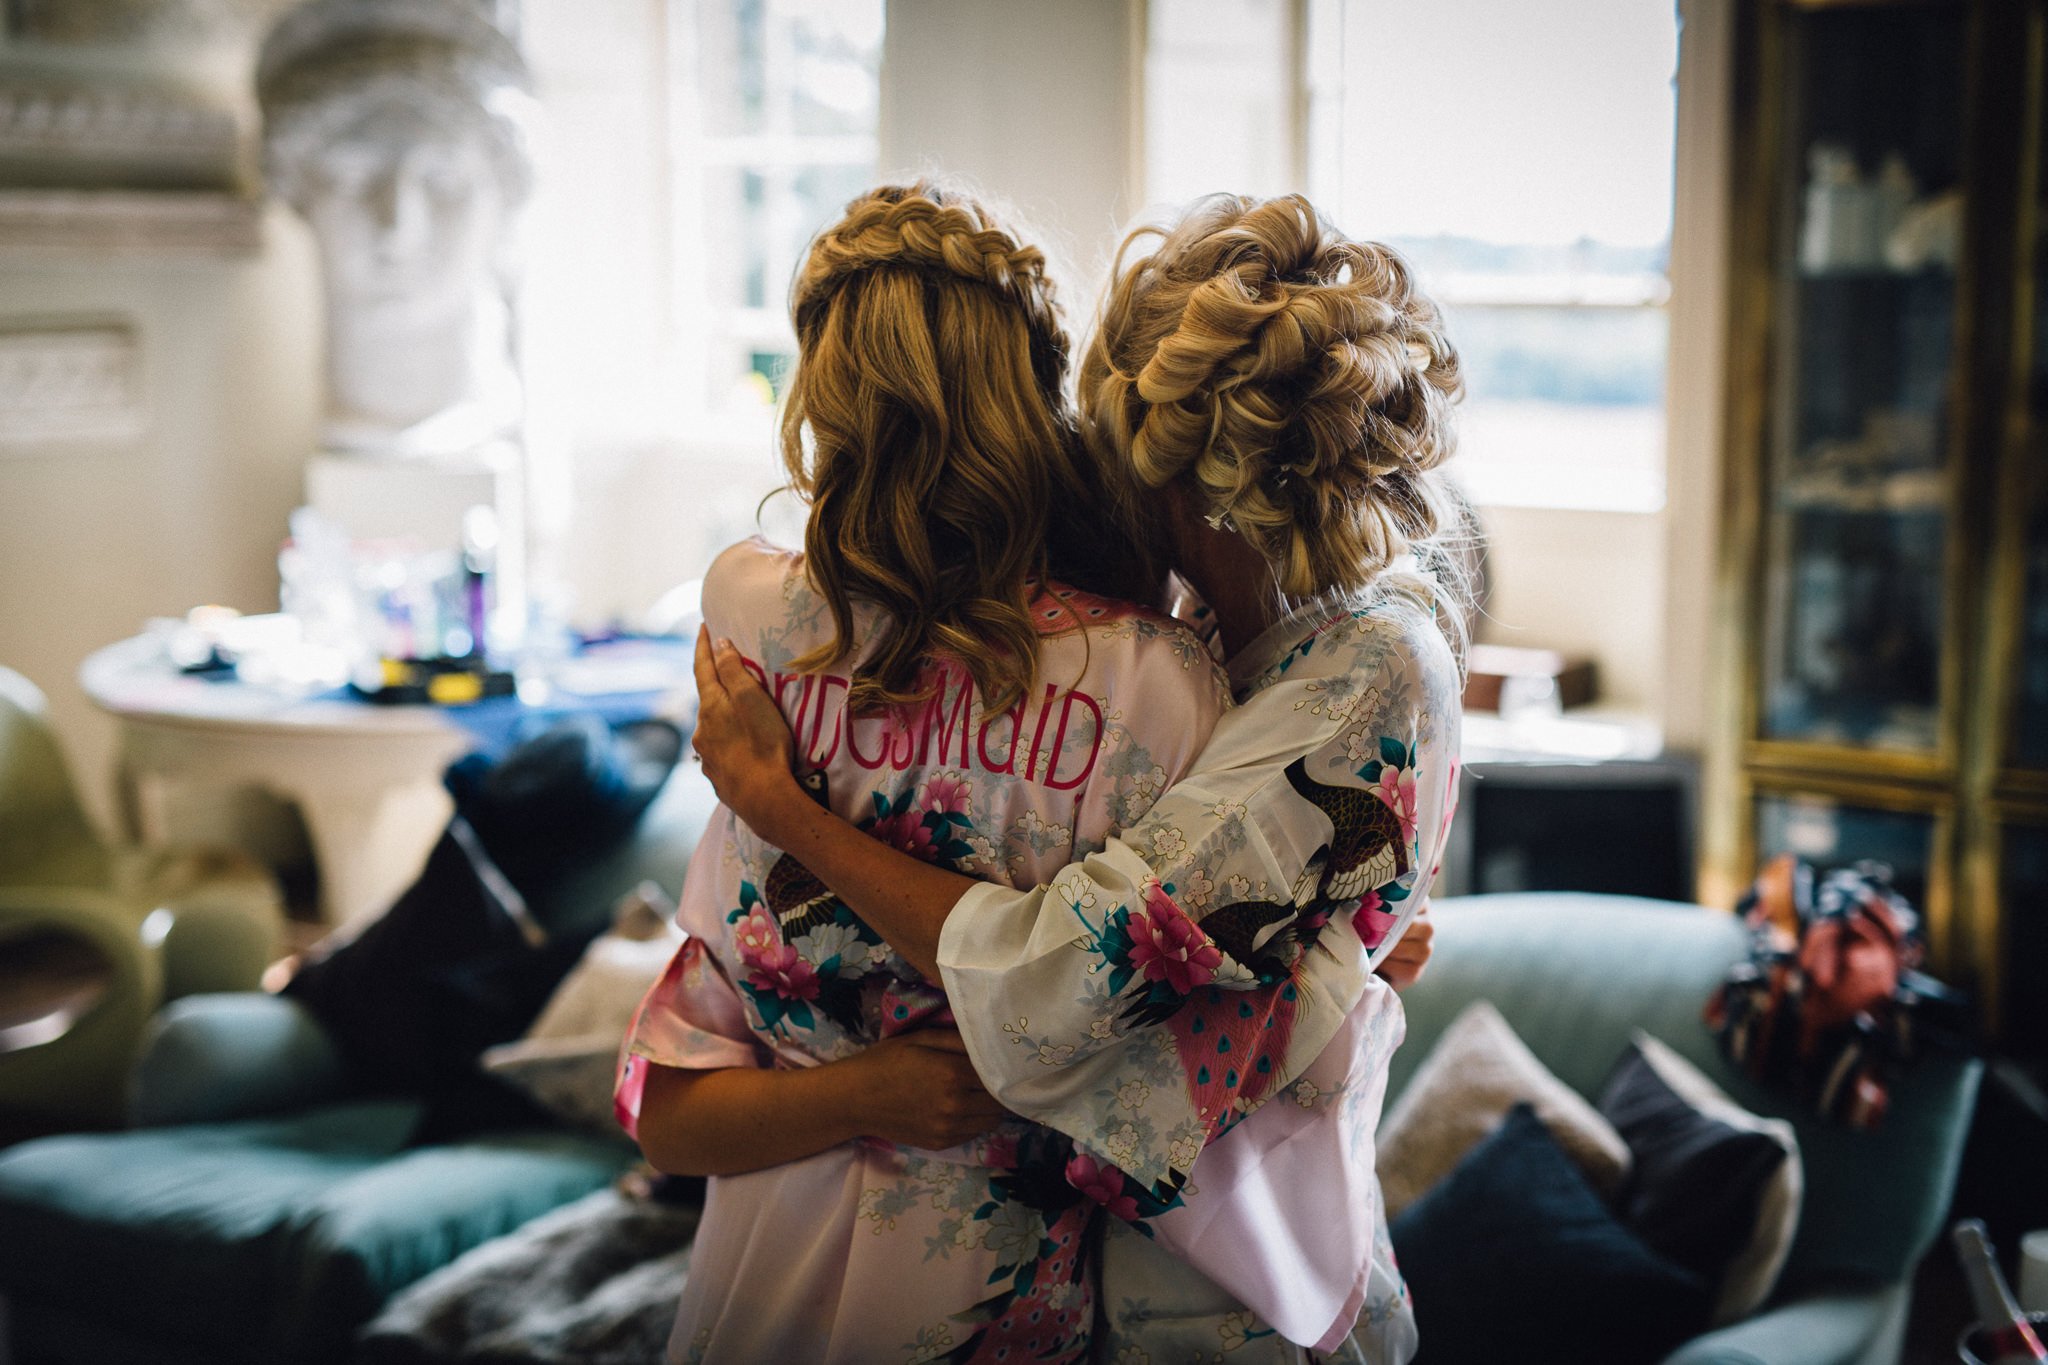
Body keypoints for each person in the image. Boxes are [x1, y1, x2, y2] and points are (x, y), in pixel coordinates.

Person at [688, 192, 1468, 1364]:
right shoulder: (1217, 631)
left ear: (1172, 467)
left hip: (1233, 1314)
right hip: (1121, 1283)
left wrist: (787, 815)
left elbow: (1060, 978)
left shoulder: (1365, 669)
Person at [615, 181, 1235, 1364]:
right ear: (1031, 401)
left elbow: (665, 1108)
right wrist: (874, 1095)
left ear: (825, 396)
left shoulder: (756, 620)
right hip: (974, 1295)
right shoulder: (1156, 681)